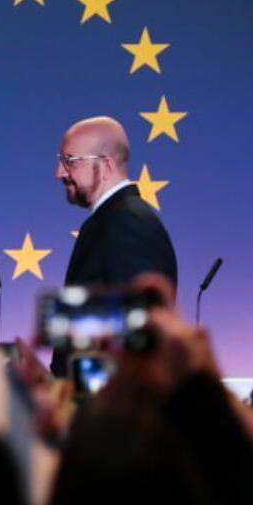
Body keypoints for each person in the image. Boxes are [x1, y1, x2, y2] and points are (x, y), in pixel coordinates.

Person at [52, 116, 178, 376]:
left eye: (70, 161)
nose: (60, 172)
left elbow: (139, 332)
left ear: (106, 166)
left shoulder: (127, 221)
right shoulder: (109, 220)